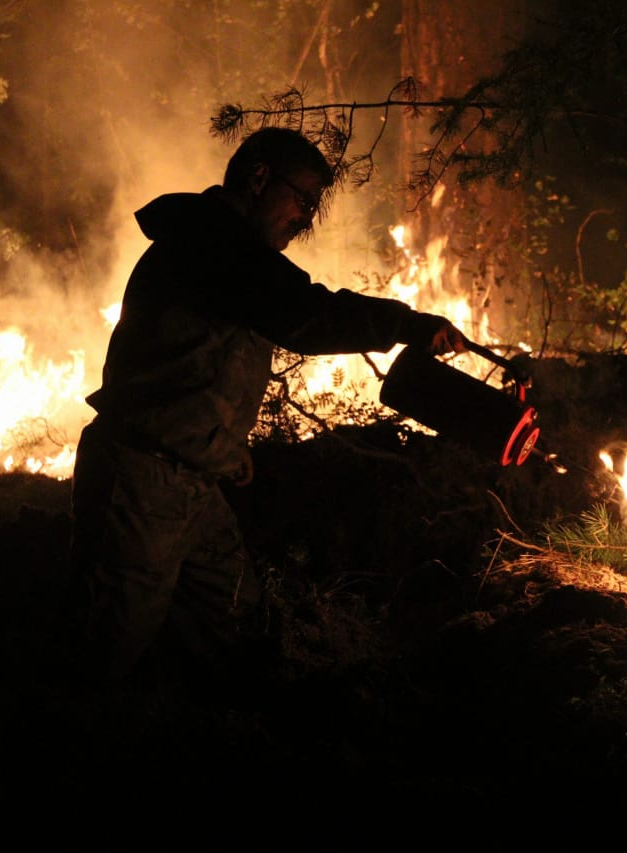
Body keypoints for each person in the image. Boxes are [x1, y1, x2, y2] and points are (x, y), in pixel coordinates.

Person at [68, 127, 466, 684]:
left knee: (234, 622)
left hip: (189, 484)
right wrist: (406, 323)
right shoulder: (213, 243)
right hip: (142, 487)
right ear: (259, 178)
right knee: (105, 651)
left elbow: (195, 361)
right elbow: (303, 314)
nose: (305, 219)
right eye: (303, 200)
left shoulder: (220, 249)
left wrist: (223, 445)